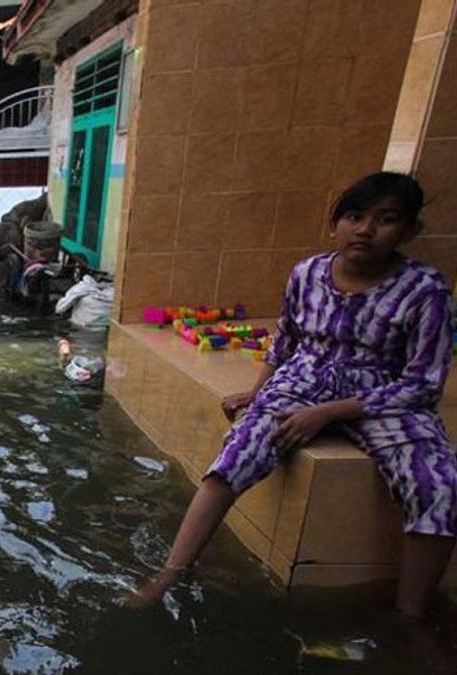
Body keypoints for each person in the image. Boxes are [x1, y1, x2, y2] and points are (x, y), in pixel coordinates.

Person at [130, 172, 456, 620]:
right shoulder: (307, 273)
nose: (365, 229)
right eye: (354, 216)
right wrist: (257, 392)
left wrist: (326, 414)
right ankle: (169, 574)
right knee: (234, 457)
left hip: (384, 396)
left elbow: (423, 383)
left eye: (386, 219)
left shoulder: (425, 289)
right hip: (302, 382)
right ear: (334, 224)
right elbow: (284, 342)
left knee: (438, 483)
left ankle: (411, 613)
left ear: (410, 231)